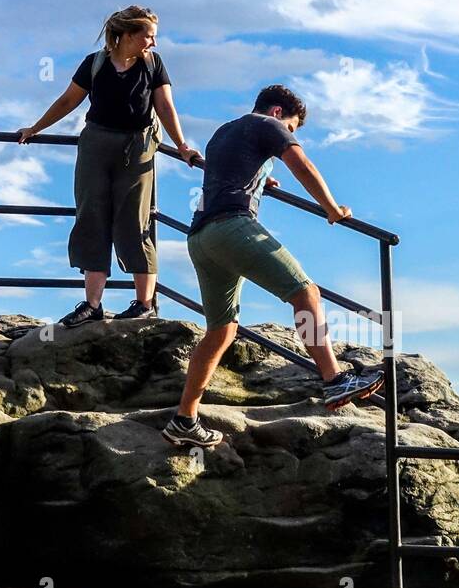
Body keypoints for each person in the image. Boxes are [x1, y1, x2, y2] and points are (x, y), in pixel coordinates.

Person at [162, 85, 385, 448]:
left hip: (200, 237)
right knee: (305, 291)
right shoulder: (269, 124)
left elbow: (234, 169)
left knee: (221, 330)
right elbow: (302, 165)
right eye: (292, 129)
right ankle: (333, 381)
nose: (289, 136)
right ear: (279, 112)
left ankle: (184, 419)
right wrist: (332, 208)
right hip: (232, 227)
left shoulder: (224, 131)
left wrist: (263, 175)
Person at [18, 5, 202, 326]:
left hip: (138, 146)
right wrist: (35, 128)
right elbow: (67, 101)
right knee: (91, 216)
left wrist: (182, 145)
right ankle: (92, 304)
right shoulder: (95, 64)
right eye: (149, 36)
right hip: (96, 145)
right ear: (128, 36)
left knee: (135, 219)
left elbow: (165, 106)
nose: (154, 43)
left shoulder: (153, 65)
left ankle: (144, 303)